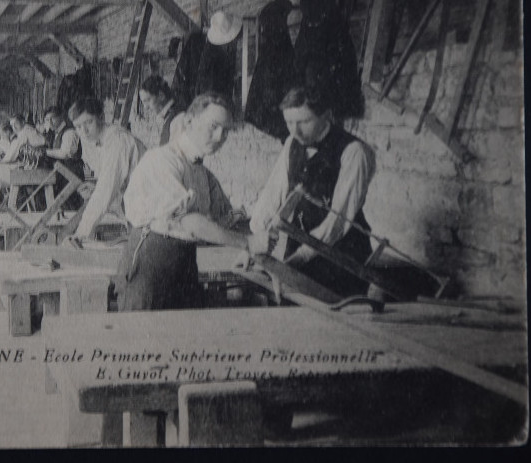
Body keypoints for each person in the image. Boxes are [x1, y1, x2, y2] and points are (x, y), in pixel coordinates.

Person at [118, 93, 249, 311]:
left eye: (226, 131)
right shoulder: (161, 160)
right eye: (213, 127)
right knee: (143, 339)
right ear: (189, 121)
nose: (219, 137)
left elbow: (226, 217)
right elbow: (189, 222)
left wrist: (254, 236)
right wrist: (247, 244)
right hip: (151, 262)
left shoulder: (202, 173)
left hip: (184, 263)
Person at [248, 86, 376, 298]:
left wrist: (297, 260)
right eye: (289, 122)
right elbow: (271, 197)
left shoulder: (354, 152)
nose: (295, 131)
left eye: (304, 122)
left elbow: (338, 221)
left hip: (341, 259)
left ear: (326, 116)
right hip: (298, 253)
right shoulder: (292, 144)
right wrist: (254, 245)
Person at [67, 97, 146, 242]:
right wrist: (96, 186)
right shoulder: (98, 142)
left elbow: (106, 190)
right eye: (78, 127)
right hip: (136, 206)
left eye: (88, 122)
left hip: (149, 206)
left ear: (101, 118)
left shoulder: (116, 140)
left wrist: (82, 232)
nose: (83, 131)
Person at [40, 106, 85, 211]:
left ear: (61, 117)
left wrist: (45, 152)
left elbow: (65, 153)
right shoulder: (54, 134)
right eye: (47, 119)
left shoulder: (69, 132)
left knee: (72, 206)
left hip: (72, 174)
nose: (50, 122)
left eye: (53, 118)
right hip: (62, 174)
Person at [138, 74, 187, 146]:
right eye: (143, 102)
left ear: (161, 96)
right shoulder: (165, 116)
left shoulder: (179, 117)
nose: (145, 107)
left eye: (148, 100)